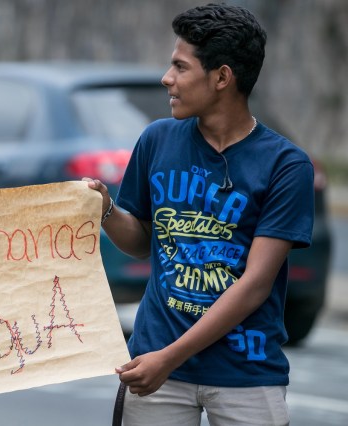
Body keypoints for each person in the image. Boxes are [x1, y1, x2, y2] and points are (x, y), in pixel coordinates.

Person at [87, 3, 314, 425]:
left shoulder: (286, 165)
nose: (166, 79)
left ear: (222, 77)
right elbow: (139, 243)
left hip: (245, 372)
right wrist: (106, 208)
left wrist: (168, 360)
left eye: (180, 67)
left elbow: (254, 286)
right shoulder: (157, 139)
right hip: (156, 361)